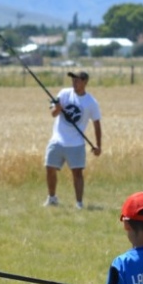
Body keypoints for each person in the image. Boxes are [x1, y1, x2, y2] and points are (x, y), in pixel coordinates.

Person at [43, 70, 102, 210]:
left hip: (76, 143)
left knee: (77, 173)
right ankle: (52, 198)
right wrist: (58, 108)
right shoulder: (64, 94)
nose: (74, 83)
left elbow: (97, 124)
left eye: (77, 80)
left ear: (85, 82)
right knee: (49, 168)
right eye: (73, 80)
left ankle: (79, 203)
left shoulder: (91, 102)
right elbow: (53, 114)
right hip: (57, 140)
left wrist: (98, 145)